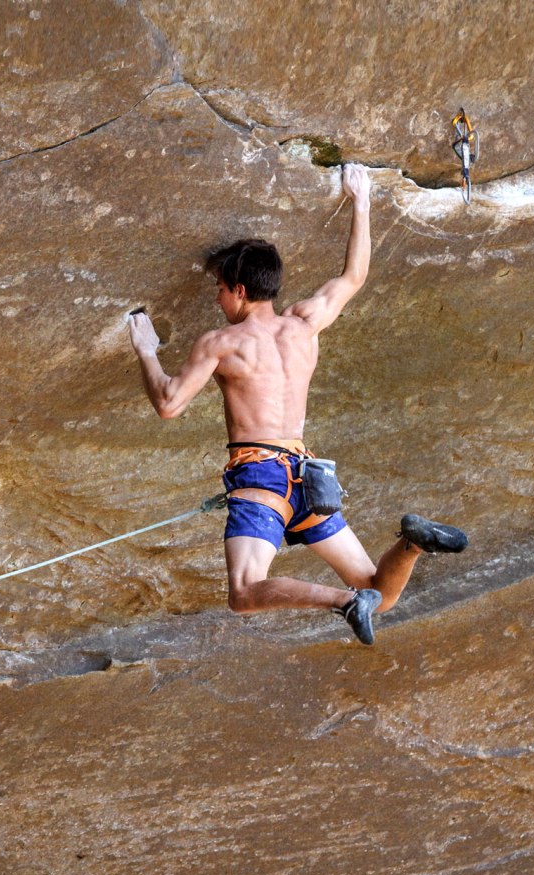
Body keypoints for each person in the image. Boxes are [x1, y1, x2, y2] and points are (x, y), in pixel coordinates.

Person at [127, 163, 467, 645]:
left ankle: (345, 602)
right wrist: (361, 201)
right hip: (309, 476)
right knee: (380, 591)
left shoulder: (223, 342)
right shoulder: (304, 325)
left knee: (244, 592)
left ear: (240, 290)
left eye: (220, 290)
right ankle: (410, 544)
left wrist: (146, 351)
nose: (218, 299)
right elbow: (355, 275)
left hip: (261, 477)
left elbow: (168, 403)